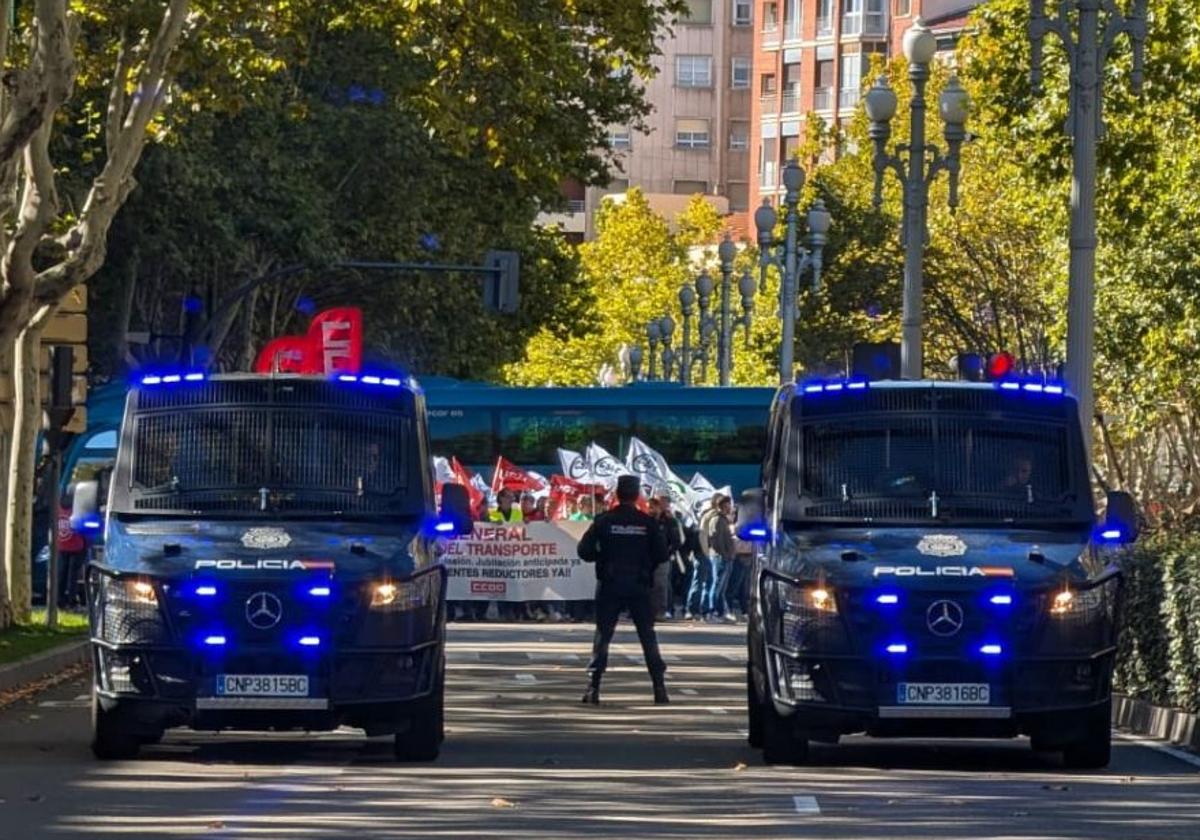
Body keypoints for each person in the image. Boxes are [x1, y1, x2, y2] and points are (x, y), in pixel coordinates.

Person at [577, 474, 670, 705]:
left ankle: (593, 687)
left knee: (603, 636)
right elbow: (661, 554)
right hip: (639, 585)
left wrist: (603, 556)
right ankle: (659, 687)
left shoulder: (604, 521)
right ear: (637, 496)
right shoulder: (647, 523)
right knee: (647, 636)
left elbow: (584, 551)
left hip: (610, 584)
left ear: (617, 494)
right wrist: (644, 563)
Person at [703, 495, 737, 622]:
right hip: (720, 558)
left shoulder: (725, 520)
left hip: (726, 557)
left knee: (722, 587)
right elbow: (714, 539)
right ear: (723, 505)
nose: (731, 507)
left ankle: (721, 612)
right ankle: (712, 612)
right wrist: (723, 554)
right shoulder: (717, 520)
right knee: (716, 585)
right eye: (729, 504)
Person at [56, 486, 87, 607]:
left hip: (62, 545)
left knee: (62, 573)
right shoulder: (78, 508)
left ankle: (59, 599)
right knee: (73, 575)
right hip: (77, 546)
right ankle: (71, 600)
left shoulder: (58, 507)